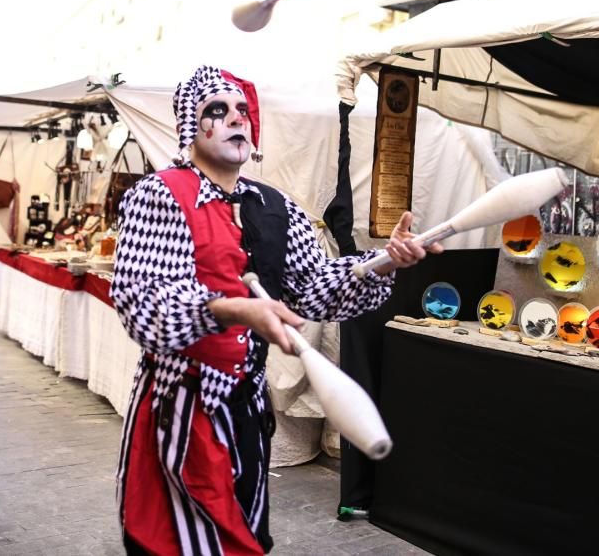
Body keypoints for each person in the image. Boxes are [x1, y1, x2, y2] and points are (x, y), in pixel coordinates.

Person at [110, 66, 441, 555]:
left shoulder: (275, 206)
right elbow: (144, 305)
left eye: (241, 110)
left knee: (246, 532)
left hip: (245, 406)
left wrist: (383, 262)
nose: (234, 119)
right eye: (216, 111)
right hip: (180, 409)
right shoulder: (159, 197)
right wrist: (236, 311)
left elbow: (313, 289)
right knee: (181, 543)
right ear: (188, 128)